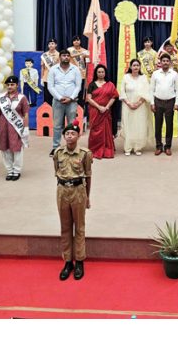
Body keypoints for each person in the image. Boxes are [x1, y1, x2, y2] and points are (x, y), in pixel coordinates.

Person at [53, 119, 92, 281]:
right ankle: (68, 261)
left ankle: (80, 261)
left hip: (78, 191)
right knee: (65, 227)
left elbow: (88, 176)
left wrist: (87, 197)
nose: (69, 136)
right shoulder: (58, 153)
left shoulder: (85, 154)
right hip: (62, 190)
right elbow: (56, 171)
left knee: (80, 228)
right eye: (67, 134)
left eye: (73, 134)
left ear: (78, 135)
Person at [0, 75, 30, 180]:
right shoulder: (1, 98)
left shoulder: (22, 98)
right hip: (3, 127)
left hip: (16, 128)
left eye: (12, 84)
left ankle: (17, 170)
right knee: (5, 149)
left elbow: (26, 114)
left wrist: (26, 127)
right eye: (8, 85)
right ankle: (9, 170)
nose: (10, 86)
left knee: (17, 149)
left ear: (17, 85)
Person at [48, 48, 82, 157]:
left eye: (68, 56)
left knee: (72, 125)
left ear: (70, 57)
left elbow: (78, 86)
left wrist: (71, 98)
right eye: (63, 55)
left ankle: (72, 147)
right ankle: (56, 147)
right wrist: (59, 97)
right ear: (60, 57)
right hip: (58, 101)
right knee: (57, 125)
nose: (66, 57)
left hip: (72, 102)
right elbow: (50, 86)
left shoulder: (75, 69)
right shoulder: (53, 69)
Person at [119, 58, 153, 156]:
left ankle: (138, 147)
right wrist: (129, 103)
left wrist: (138, 103)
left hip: (140, 106)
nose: (136, 67)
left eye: (137, 65)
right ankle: (128, 148)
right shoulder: (126, 77)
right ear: (130, 67)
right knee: (128, 126)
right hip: (127, 105)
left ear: (140, 67)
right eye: (134, 65)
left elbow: (147, 92)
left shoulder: (144, 78)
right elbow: (122, 91)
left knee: (139, 126)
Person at [150, 53, 178, 156]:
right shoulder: (155, 74)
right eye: (163, 61)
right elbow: (151, 89)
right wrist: (152, 103)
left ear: (170, 62)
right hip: (158, 101)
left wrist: (176, 103)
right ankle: (158, 146)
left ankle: (168, 146)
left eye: (167, 61)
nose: (165, 63)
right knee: (158, 125)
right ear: (160, 62)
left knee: (169, 125)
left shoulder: (174, 74)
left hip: (170, 102)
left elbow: (177, 90)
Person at [86, 64, 119, 159]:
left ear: (105, 73)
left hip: (106, 111)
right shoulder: (92, 84)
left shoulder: (110, 84)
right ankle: (95, 149)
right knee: (95, 130)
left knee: (106, 130)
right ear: (96, 73)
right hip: (95, 110)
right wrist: (99, 107)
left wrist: (107, 107)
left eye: (102, 72)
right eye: (99, 72)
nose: (101, 74)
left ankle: (107, 149)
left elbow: (114, 96)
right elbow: (89, 98)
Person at [68, 35, 90, 103]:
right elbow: (69, 56)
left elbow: (88, 61)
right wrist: (80, 54)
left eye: (78, 40)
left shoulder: (84, 50)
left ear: (80, 41)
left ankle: (81, 107)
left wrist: (87, 56)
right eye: (74, 40)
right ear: (72, 42)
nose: (76, 41)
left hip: (82, 74)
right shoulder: (69, 50)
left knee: (81, 92)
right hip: (72, 74)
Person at [41, 38, 60, 105]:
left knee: (54, 95)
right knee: (47, 95)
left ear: (56, 45)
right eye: (49, 44)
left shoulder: (59, 54)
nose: (51, 45)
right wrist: (41, 78)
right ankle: (47, 110)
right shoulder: (44, 55)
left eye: (52, 43)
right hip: (46, 78)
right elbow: (42, 67)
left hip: (55, 78)